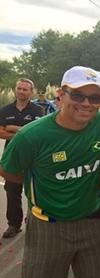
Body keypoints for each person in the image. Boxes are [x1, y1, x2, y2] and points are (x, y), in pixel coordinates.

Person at [0, 66, 100, 278]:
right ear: (61, 96)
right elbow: (8, 169)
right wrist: (40, 188)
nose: (86, 104)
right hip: (47, 226)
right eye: (78, 96)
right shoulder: (31, 135)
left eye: (94, 98)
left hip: (92, 221)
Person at [0, 78, 44, 238]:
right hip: (11, 157)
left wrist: (12, 128)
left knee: (35, 190)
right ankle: (14, 224)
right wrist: (23, 131)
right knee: (12, 191)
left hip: (34, 157)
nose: (21, 91)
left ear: (30, 92)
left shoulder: (37, 110)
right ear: (15, 89)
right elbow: (0, 132)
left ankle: (34, 222)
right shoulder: (6, 110)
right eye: (19, 88)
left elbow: (38, 133)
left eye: (25, 89)